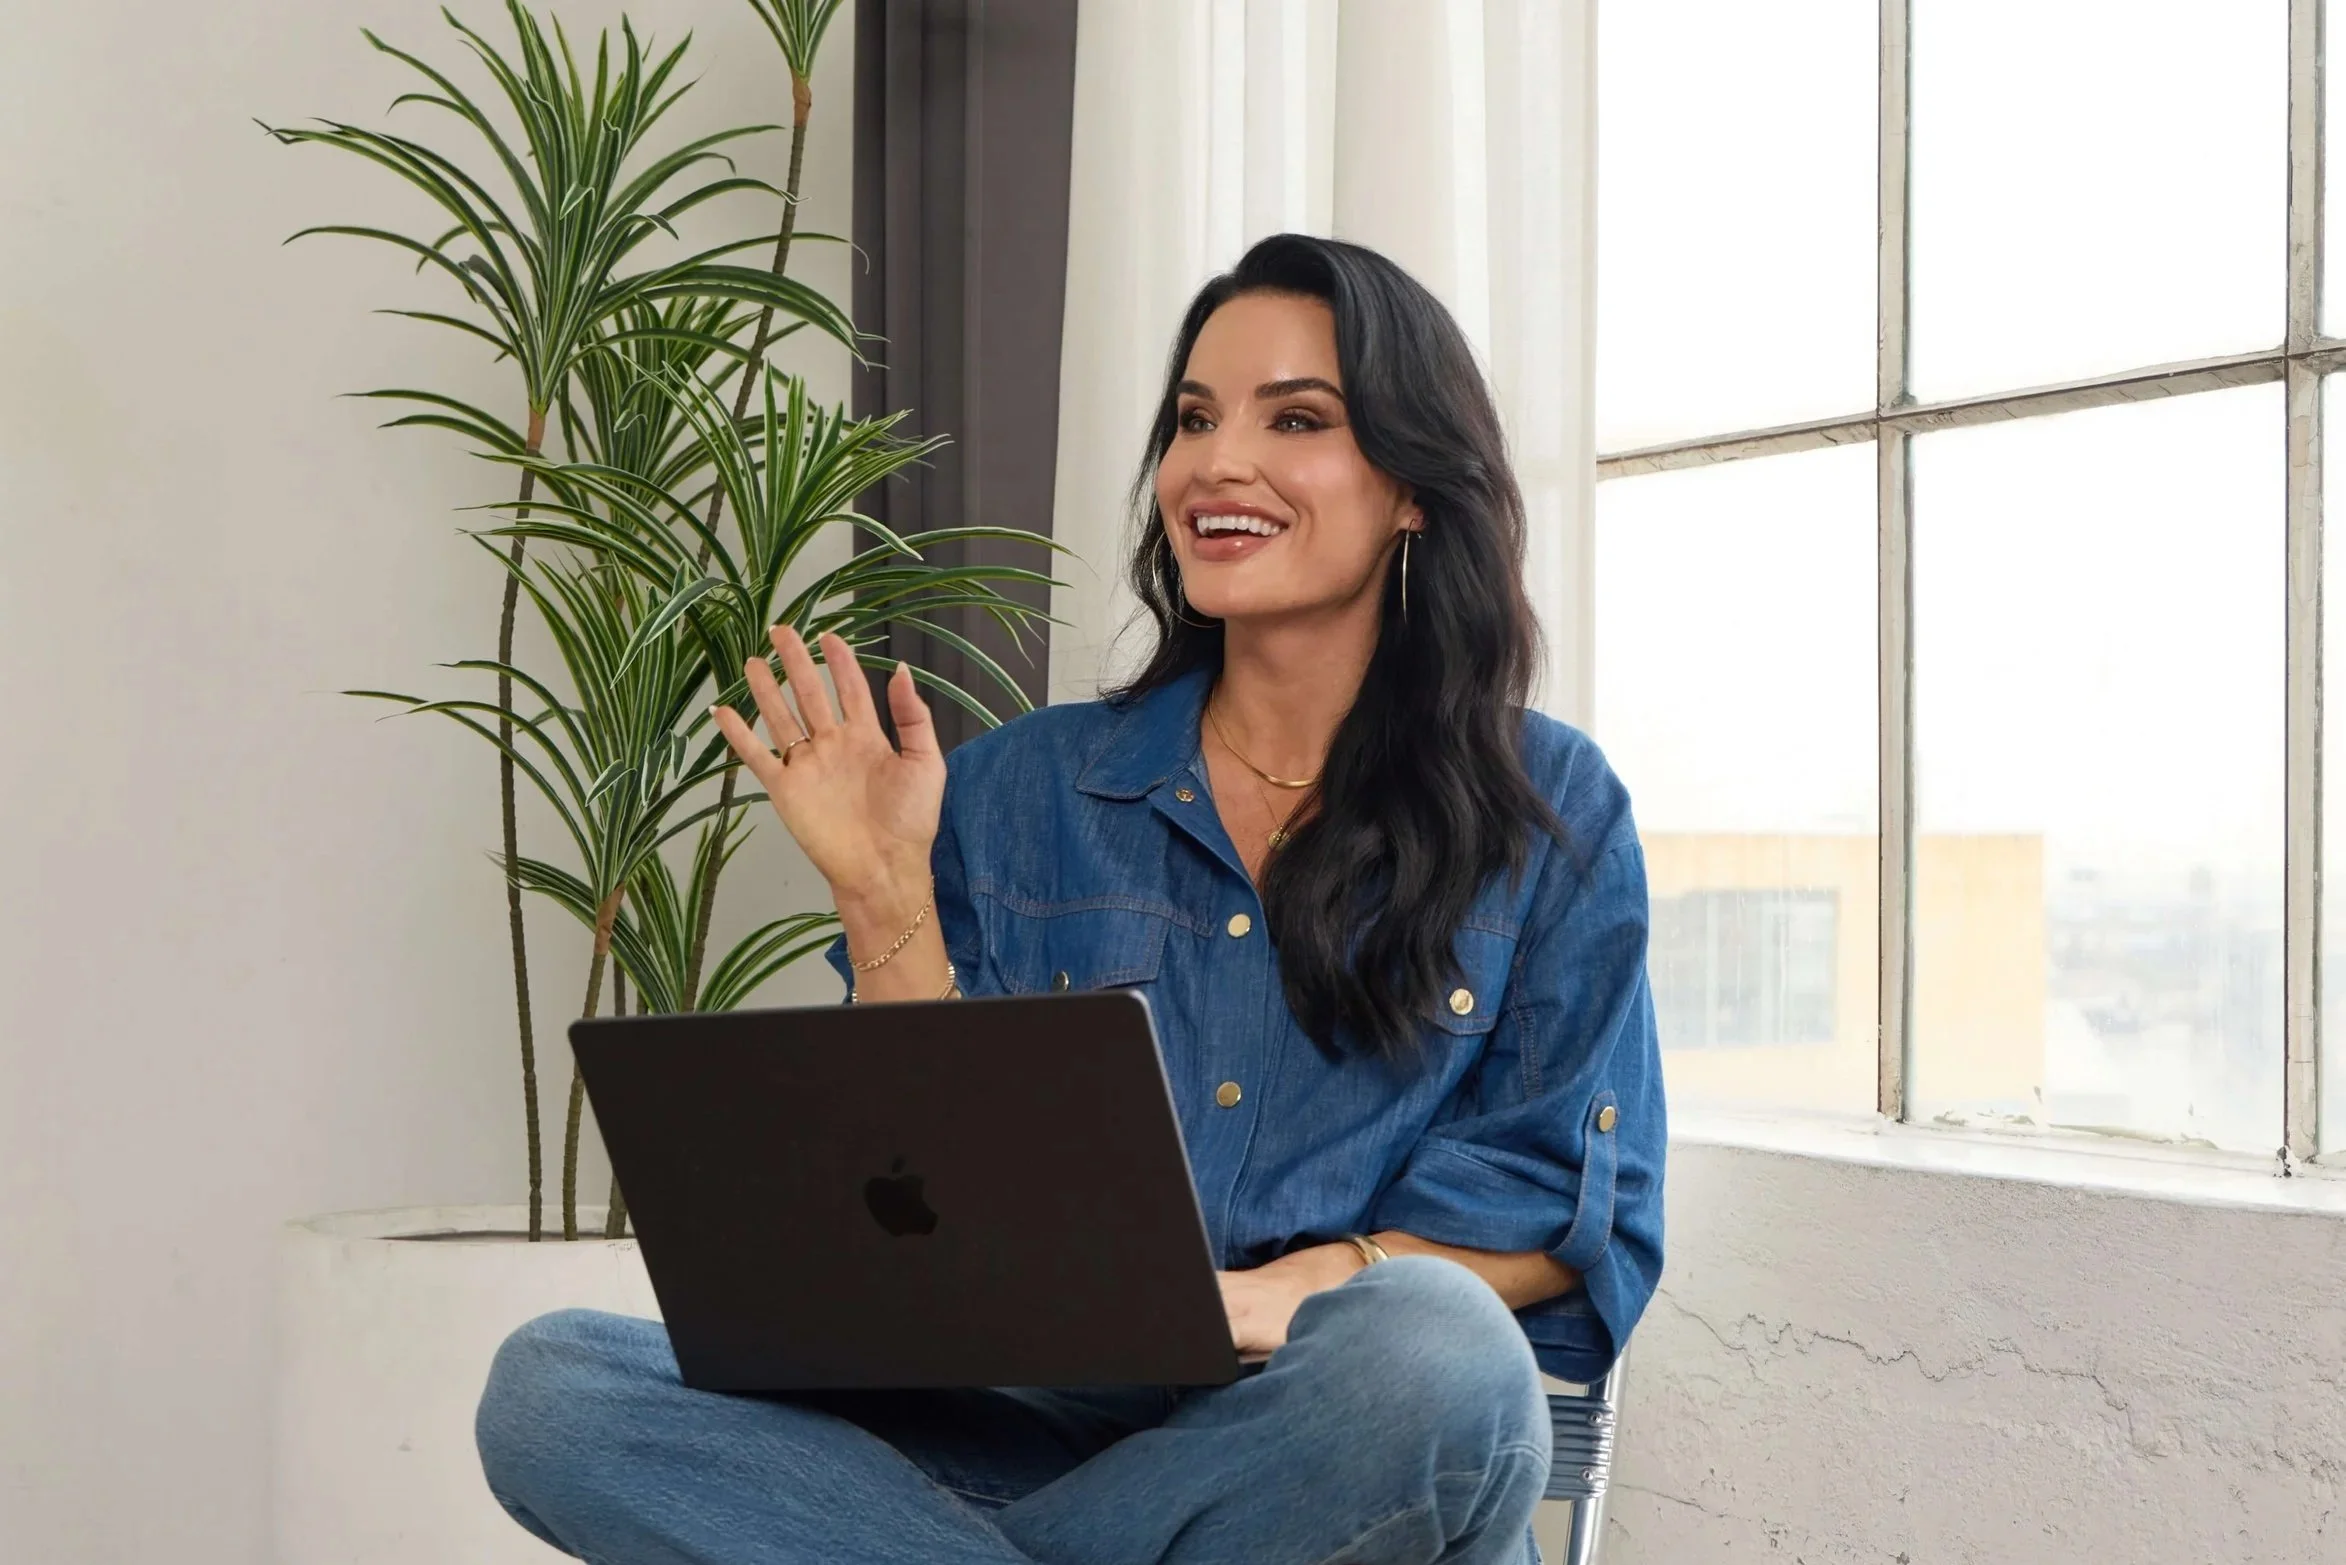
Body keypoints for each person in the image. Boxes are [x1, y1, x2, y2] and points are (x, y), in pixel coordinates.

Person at [474, 233, 1665, 1565]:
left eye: (1298, 419)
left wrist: (1299, 1290)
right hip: (1019, 1431)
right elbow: (918, 1190)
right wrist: (879, 899)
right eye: (1193, 418)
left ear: (1412, 488)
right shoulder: (1022, 788)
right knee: (555, 1386)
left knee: (1438, 1354)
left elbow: (1569, 1210)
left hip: (1318, 1430)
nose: (1216, 462)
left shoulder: (1545, 809)